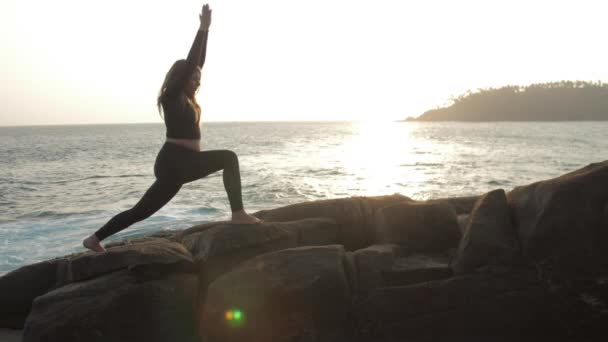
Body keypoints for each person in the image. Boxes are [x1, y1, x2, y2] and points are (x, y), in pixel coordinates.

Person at [83, 3, 261, 253]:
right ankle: (238, 213)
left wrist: (207, 34)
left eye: (199, 79)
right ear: (180, 78)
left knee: (141, 211)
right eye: (193, 78)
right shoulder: (171, 97)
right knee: (229, 158)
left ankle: (94, 239)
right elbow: (191, 62)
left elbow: (197, 64)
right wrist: (202, 29)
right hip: (174, 161)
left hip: (181, 163)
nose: (197, 82)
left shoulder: (187, 99)